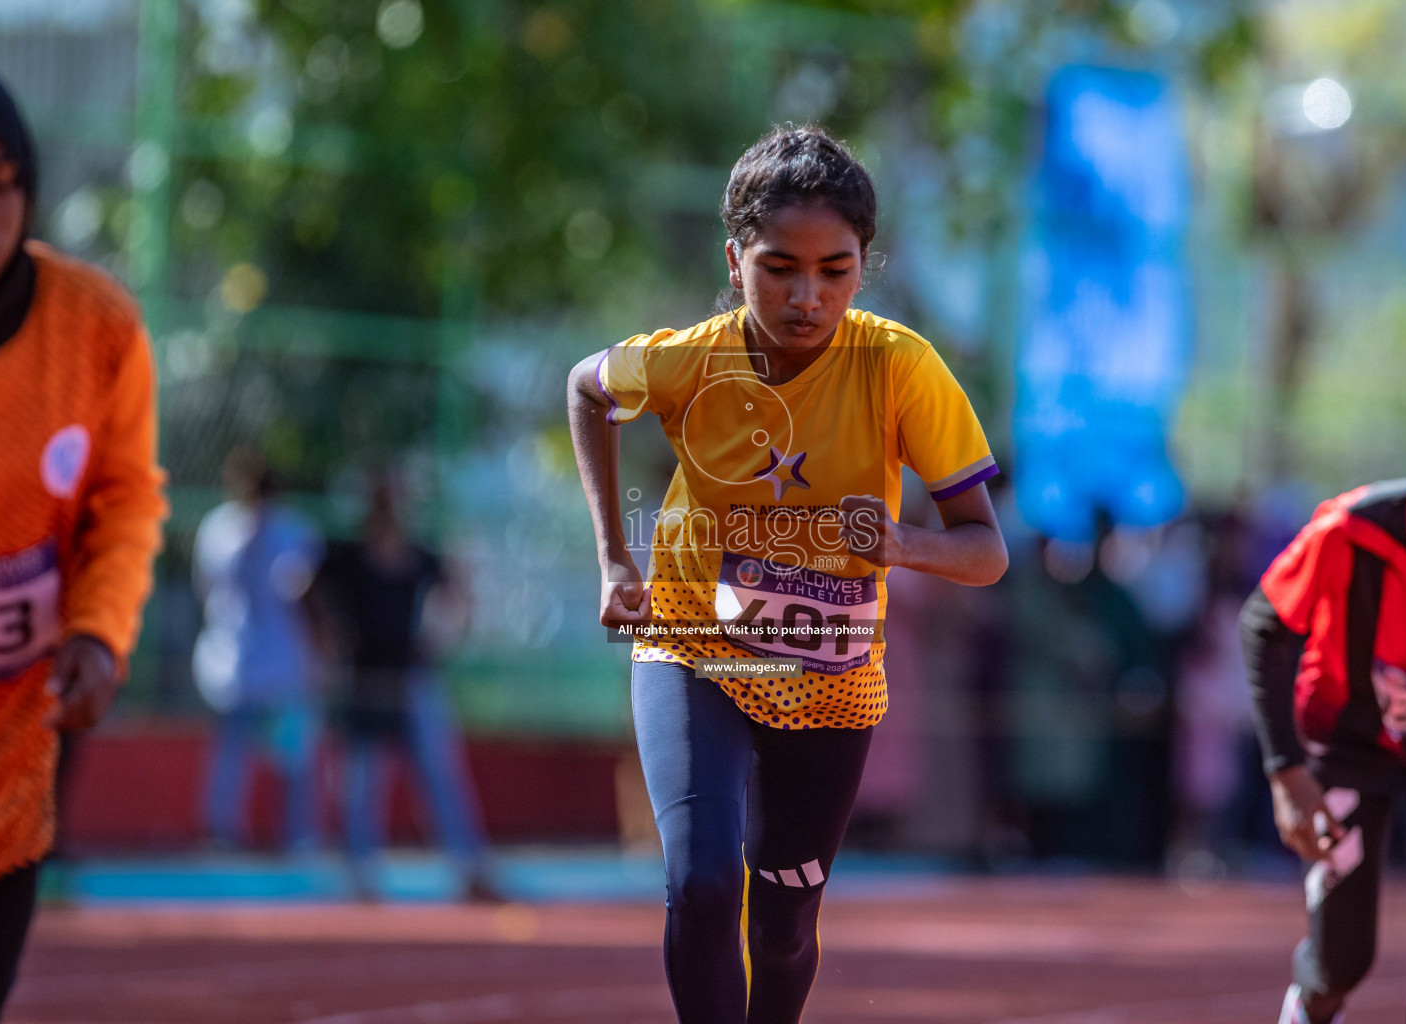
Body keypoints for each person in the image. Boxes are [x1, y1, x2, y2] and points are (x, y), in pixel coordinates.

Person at [566, 124, 1008, 1022]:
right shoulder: (696, 356)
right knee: (698, 886)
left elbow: (985, 552)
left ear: (863, 266)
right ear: (735, 261)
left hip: (829, 681)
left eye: (834, 271)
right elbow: (587, 388)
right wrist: (614, 556)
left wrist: (903, 544)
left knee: (781, 925)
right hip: (696, 649)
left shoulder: (899, 368)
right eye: (780, 268)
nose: (807, 297)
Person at [0, 69, 166, 1023]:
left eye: (2, 178)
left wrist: (100, 632)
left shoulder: (95, 327)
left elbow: (128, 500)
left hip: (8, 770)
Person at [1242, 376, 1406, 1024]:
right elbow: (1264, 626)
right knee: (1343, 958)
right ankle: (1308, 1007)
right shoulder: (1353, 532)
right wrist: (1286, 774)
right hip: (1348, 749)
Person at [310, 474, 496, 901]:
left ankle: (470, 869)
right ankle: (361, 877)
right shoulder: (345, 558)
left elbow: (459, 595)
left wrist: (447, 638)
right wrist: (325, 640)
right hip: (364, 684)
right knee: (360, 786)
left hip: (412, 684)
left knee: (442, 779)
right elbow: (303, 591)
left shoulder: (421, 557)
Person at [193, 447, 323, 852]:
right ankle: (222, 833)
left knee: (294, 753)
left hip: (284, 665)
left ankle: (296, 835)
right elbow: (208, 590)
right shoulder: (220, 529)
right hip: (235, 662)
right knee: (234, 753)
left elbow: (305, 595)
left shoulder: (294, 531)